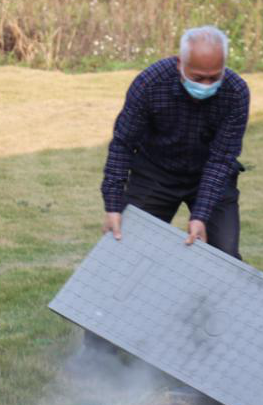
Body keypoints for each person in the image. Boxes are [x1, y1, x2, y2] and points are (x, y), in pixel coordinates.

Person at [100, 25, 250, 257]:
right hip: (155, 171)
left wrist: (200, 215)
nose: (206, 85)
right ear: (180, 64)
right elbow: (123, 143)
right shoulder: (149, 83)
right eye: (198, 78)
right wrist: (113, 205)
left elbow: (222, 159)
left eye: (214, 77)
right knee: (126, 247)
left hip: (211, 173)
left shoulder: (236, 92)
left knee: (225, 254)